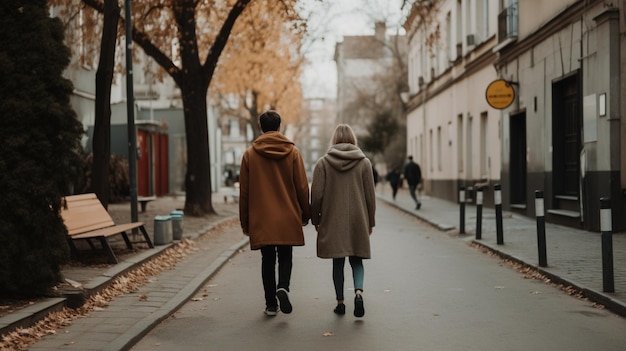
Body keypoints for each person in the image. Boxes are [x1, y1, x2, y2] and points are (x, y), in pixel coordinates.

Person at [239, 110, 311, 317]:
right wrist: (305, 214)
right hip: (288, 215)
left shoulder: (249, 155)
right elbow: (302, 188)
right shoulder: (293, 153)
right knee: (285, 256)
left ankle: (271, 304)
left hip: (262, 217)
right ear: (279, 127)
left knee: (267, 260)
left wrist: (246, 222)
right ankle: (284, 287)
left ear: (261, 127)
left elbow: (244, 192)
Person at [310, 124, 376, 318]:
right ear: (353, 139)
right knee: (357, 259)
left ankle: (340, 302)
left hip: (333, 219)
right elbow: (370, 196)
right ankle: (358, 293)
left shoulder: (323, 164)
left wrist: (316, 219)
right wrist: (370, 221)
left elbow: (317, 195)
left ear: (334, 140)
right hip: (358, 219)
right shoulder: (364, 163)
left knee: (337, 262)